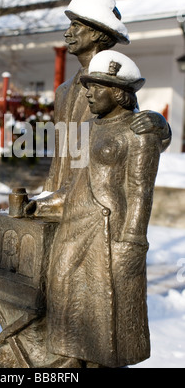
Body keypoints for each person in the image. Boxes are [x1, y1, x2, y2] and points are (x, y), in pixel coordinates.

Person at [46, 50, 162, 368]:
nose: (89, 94)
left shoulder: (139, 131)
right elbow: (75, 180)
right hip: (77, 221)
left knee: (102, 297)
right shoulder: (89, 128)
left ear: (118, 92)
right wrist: (41, 205)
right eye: (87, 86)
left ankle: (100, 358)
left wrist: (133, 240)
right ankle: (72, 352)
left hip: (110, 226)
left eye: (97, 87)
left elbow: (140, 191)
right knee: (64, 282)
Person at [28, 0, 171, 218]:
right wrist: (48, 195)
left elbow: (133, 134)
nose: (67, 34)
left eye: (76, 26)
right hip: (59, 200)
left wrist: (160, 126)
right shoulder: (63, 91)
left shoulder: (114, 87)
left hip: (95, 205)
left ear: (96, 33)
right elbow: (60, 155)